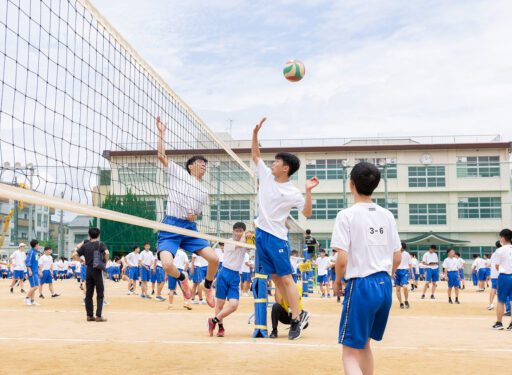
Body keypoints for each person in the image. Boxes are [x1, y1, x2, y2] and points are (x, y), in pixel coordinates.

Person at [331, 162, 402, 375]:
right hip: (383, 285)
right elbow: (397, 256)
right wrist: (385, 275)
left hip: (362, 285)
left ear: (351, 184)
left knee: (350, 352)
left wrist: (337, 281)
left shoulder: (347, 215)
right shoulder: (387, 215)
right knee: (364, 345)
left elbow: (341, 259)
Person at [252, 117, 319, 340]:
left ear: (285, 168)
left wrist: (308, 191)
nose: (272, 164)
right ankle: (298, 313)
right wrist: (255, 134)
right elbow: (255, 155)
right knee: (277, 281)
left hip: (277, 238)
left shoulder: (292, 192)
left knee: (287, 279)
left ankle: (297, 319)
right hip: (261, 236)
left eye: (277, 162)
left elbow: (307, 213)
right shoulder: (266, 176)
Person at [155, 116, 219, 308]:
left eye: (205, 164)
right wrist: (161, 134)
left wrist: (194, 216)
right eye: (200, 163)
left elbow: (196, 213)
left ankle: (208, 286)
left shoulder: (204, 191)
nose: (204, 166)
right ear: (190, 166)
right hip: (170, 225)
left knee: (214, 259)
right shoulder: (179, 173)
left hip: (189, 227)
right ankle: (182, 278)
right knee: (167, 264)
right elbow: (161, 156)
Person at [208, 222, 249, 337]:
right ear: (233, 231)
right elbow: (240, 245)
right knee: (220, 304)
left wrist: (251, 234)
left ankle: (213, 321)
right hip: (224, 273)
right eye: (236, 231)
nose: (237, 233)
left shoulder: (245, 242)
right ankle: (220, 328)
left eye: (240, 231)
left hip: (235, 275)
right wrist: (245, 234)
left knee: (234, 305)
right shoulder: (229, 241)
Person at [72, 228, 109, 322]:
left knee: (89, 293)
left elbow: (74, 255)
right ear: (99, 235)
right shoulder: (101, 244)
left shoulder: (85, 245)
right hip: (97, 270)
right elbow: (107, 253)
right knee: (100, 293)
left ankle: (89, 315)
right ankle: (99, 316)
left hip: (88, 270)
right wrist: (105, 262)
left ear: (89, 235)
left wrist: (82, 261)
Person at [492, 229, 512, 330]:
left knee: (501, 300)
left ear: (503, 238)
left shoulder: (499, 250)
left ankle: (499, 323)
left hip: (504, 276)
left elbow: (497, 266)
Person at [489, 241, 511, 314]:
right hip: (503, 274)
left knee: (499, 293)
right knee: (507, 293)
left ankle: (491, 304)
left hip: (497, 275)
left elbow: (494, 265)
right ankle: (508, 309)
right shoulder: (506, 251)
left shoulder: (496, 253)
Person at [395, 242, 412, 309]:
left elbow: (410, 263)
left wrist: (412, 273)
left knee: (405, 287)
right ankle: (401, 303)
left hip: (404, 271)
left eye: (403, 249)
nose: (402, 250)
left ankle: (406, 300)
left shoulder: (406, 254)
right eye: (401, 249)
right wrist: (392, 272)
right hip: (396, 271)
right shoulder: (395, 253)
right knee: (398, 289)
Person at [24, 239, 41, 306]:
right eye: (38, 244)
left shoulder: (35, 252)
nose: (39, 245)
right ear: (36, 245)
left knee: (33, 286)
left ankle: (32, 300)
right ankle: (27, 298)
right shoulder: (31, 252)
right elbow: (27, 262)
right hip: (32, 272)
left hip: (35, 271)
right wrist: (30, 270)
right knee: (36, 286)